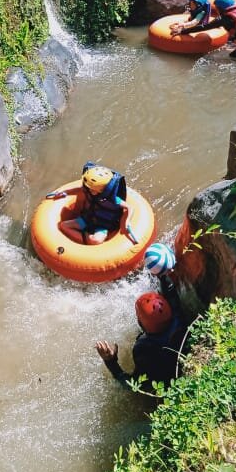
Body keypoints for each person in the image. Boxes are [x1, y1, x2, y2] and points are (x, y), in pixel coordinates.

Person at [95, 243, 188, 393]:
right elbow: (170, 294)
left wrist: (111, 362)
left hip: (168, 387)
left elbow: (134, 385)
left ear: (141, 323)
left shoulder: (144, 350)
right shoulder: (178, 318)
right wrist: (162, 274)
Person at [58, 163, 130, 245]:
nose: (89, 190)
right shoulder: (89, 189)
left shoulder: (112, 198)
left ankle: (87, 240)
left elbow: (129, 207)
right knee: (63, 226)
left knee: (96, 241)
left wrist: (126, 222)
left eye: (92, 189)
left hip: (102, 226)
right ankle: (86, 238)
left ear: (102, 189)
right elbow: (78, 189)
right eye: (88, 187)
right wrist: (65, 192)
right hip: (87, 219)